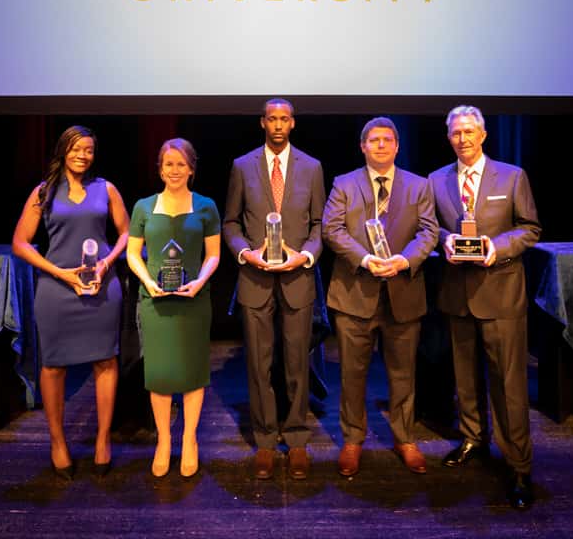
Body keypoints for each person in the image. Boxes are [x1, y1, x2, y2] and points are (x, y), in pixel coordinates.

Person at [427, 105, 541, 510]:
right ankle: (474, 437)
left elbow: (530, 229)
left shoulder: (512, 176)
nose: (463, 138)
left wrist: (498, 247)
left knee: (509, 386)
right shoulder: (435, 179)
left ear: (484, 134)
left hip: (501, 293)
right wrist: (443, 240)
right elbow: (430, 226)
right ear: (449, 137)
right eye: (456, 132)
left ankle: (519, 465)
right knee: (465, 379)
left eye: (470, 131)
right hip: (457, 293)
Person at [11, 125, 130, 479]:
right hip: (57, 289)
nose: (83, 155)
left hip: (100, 288)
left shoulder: (105, 188)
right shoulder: (44, 192)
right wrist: (59, 273)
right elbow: (20, 242)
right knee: (54, 365)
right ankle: (57, 441)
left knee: (106, 361)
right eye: (77, 149)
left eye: (89, 150)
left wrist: (109, 261)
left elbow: (126, 233)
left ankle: (103, 440)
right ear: (63, 150)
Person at [322, 117, 438, 476]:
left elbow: (429, 231)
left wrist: (404, 260)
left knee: (403, 374)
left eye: (388, 140)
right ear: (363, 146)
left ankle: (405, 438)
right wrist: (365, 258)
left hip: (402, 293)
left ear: (397, 146)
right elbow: (331, 229)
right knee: (352, 375)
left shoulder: (419, 186)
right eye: (374, 140)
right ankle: (353, 440)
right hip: (354, 294)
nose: (381, 146)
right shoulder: (344, 183)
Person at [222, 98, 326, 481]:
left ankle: (297, 440)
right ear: (262, 123)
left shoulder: (312, 167)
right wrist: (246, 253)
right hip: (256, 280)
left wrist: (307, 256)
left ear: (292, 124)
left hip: (298, 279)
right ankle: (265, 441)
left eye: (285, 119)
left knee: (298, 364)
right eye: (272, 119)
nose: (278, 125)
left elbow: (319, 225)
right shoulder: (242, 166)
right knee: (259, 365)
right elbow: (230, 223)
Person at [125, 138, 221, 478]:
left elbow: (213, 255)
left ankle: (190, 439)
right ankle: (164, 441)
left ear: (191, 168)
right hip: (156, 302)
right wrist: (147, 282)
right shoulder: (142, 207)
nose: (175, 170)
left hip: (194, 300)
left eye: (181, 164)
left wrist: (199, 282)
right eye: (169, 164)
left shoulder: (206, 206)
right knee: (160, 375)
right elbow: (133, 253)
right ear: (159, 169)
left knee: (194, 372)